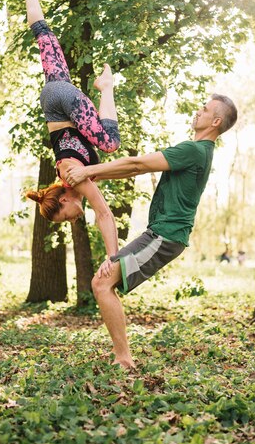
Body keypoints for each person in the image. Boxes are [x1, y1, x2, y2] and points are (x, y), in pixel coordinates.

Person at [64, 95, 238, 368]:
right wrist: (94, 174)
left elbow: (137, 164)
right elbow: (135, 170)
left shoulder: (195, 150)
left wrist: (88, 170)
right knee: (103, 282)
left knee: (102, 283)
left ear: (215, 122)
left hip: (165, 236)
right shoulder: (197, 151)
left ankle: (123, 359)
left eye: (204, 109)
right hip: (160, 234)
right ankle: (121, 356)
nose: (198, 111)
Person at [18, 0, 120, 264]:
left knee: (111, 143)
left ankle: (106, 87)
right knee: (44, 37)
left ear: (64, 199)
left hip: (61, 103)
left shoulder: (75, 178)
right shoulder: (71, 174)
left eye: (65, 216)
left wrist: (113, 256)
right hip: (52, 99)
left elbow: (103, 214)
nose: (73, 219)